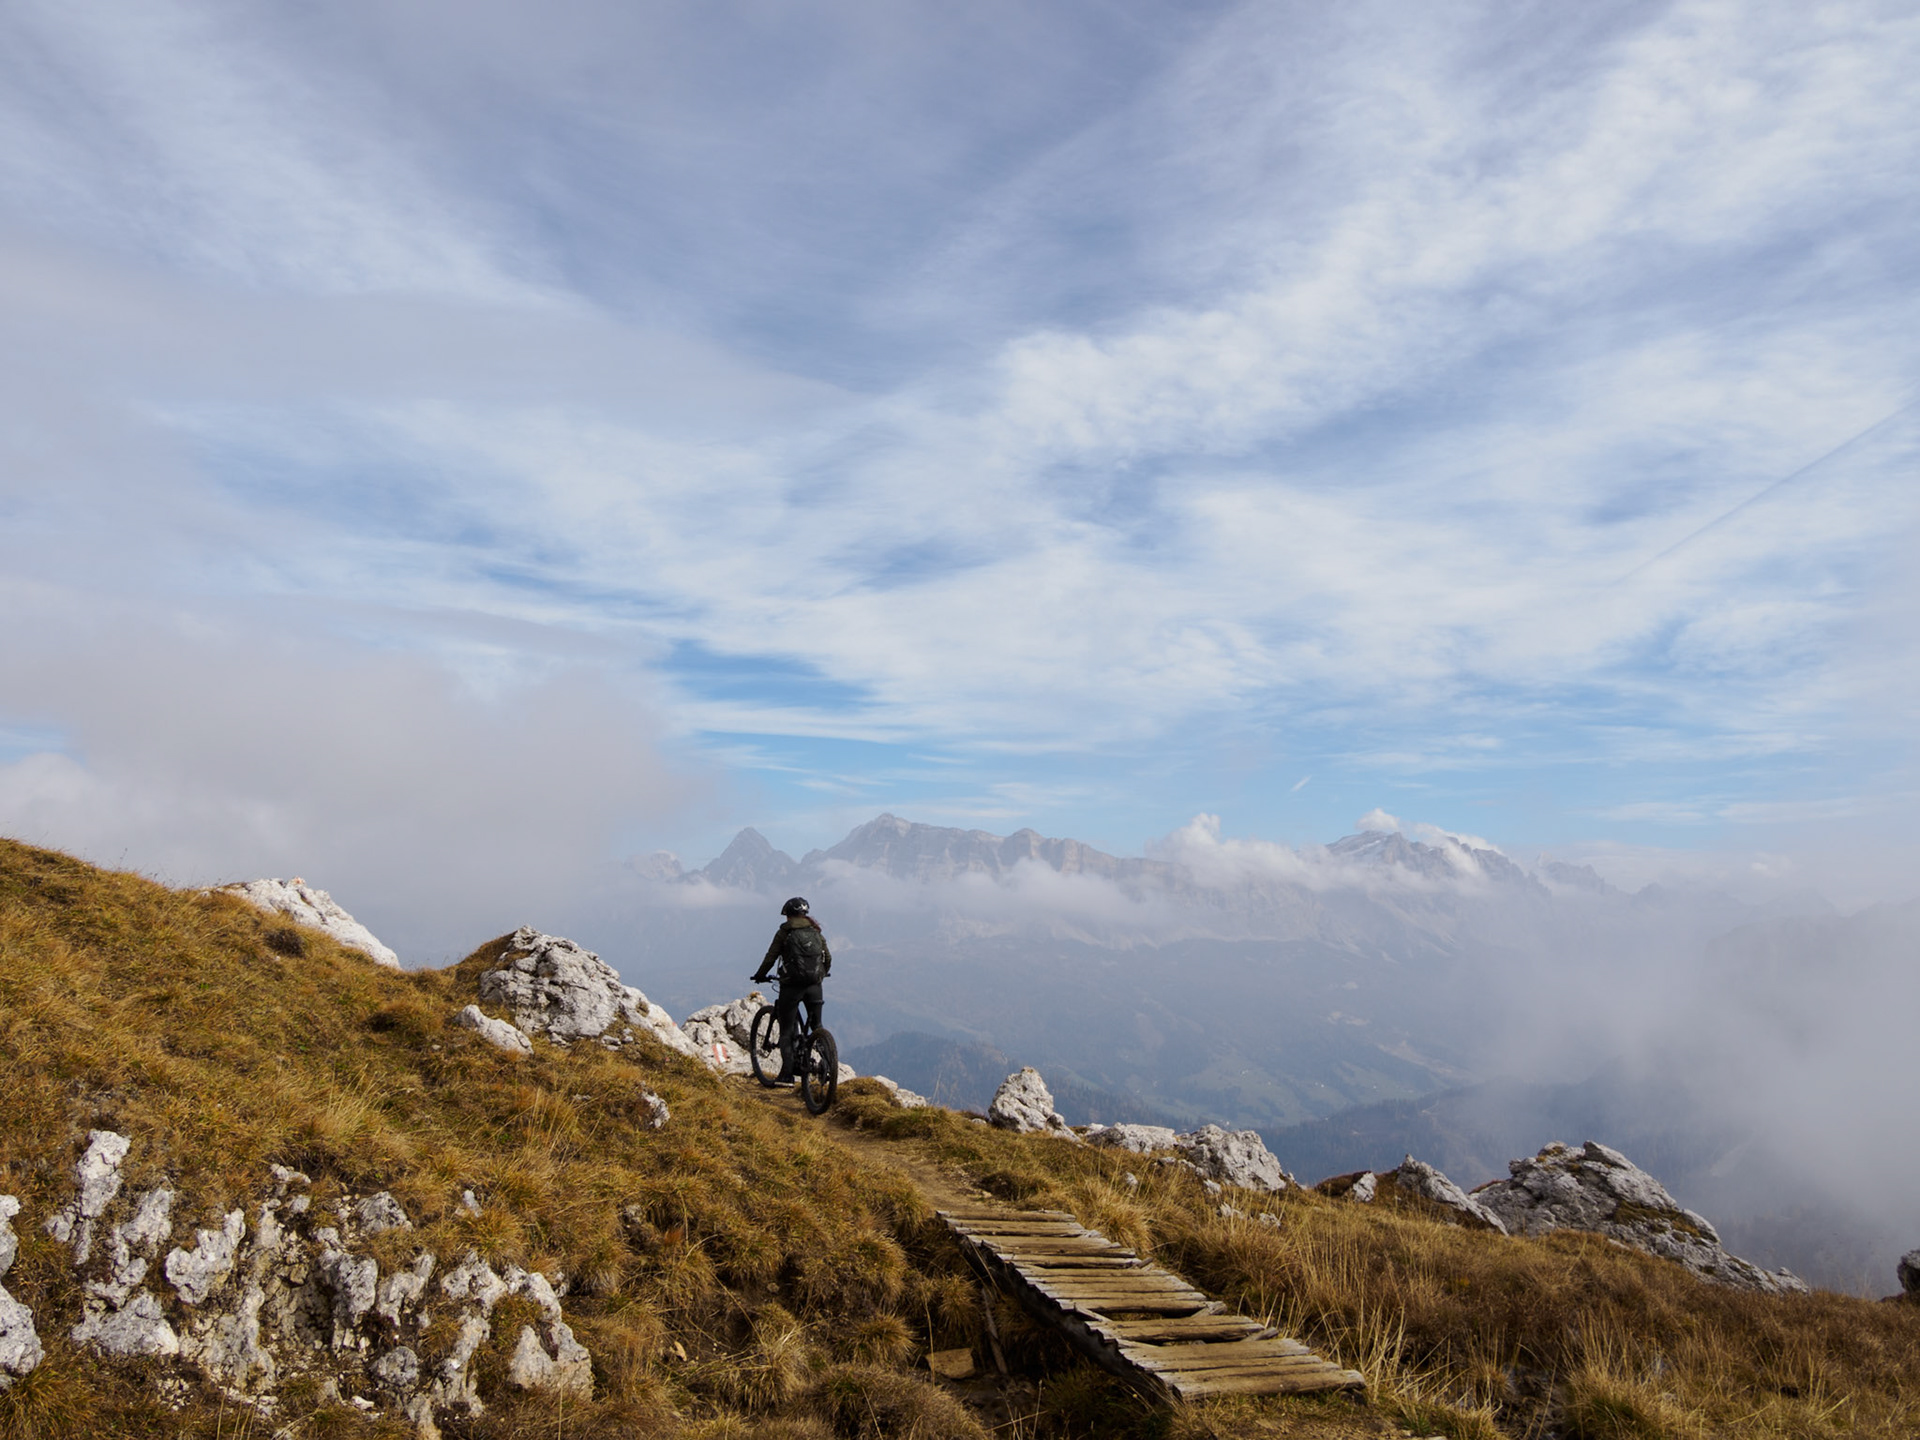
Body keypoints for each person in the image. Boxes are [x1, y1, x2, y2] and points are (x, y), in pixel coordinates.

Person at [751, 896, 832, 1084]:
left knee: (787, 1031)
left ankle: (787, 1075)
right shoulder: (816, 933)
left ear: (787, 915)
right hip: (814, 987)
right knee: (817, 1026)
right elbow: (827, 958)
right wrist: (820, 975)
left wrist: (760, 975)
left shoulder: (785, 933)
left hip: (791, 987)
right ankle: (828, 1065)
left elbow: (770, 957)